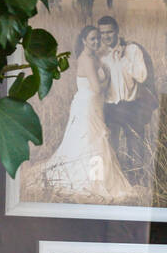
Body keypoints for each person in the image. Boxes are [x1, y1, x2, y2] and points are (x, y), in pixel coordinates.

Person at [45, 26, 133, 203]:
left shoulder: (95, 57)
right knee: (91, 140)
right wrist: (107, 77)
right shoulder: (86, 59)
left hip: (94, 104)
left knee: (95, 139)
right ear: (84, 40)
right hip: (87, 105)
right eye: (92, 39)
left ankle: (96, 178)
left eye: (98, 39)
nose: (96, 42)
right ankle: (91, 182)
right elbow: (97, 88)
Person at [97, 17, 158, 183]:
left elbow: (142, 76)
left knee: (136, 147)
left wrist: (123, 59)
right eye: (102, 33)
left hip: (132, 106)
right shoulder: (100, 55)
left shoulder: (132, 50)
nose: (106, 36)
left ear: (117, 31)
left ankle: (136, 181)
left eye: (109, 32)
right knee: (111, 148)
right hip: (110, 107)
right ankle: (115, 182)